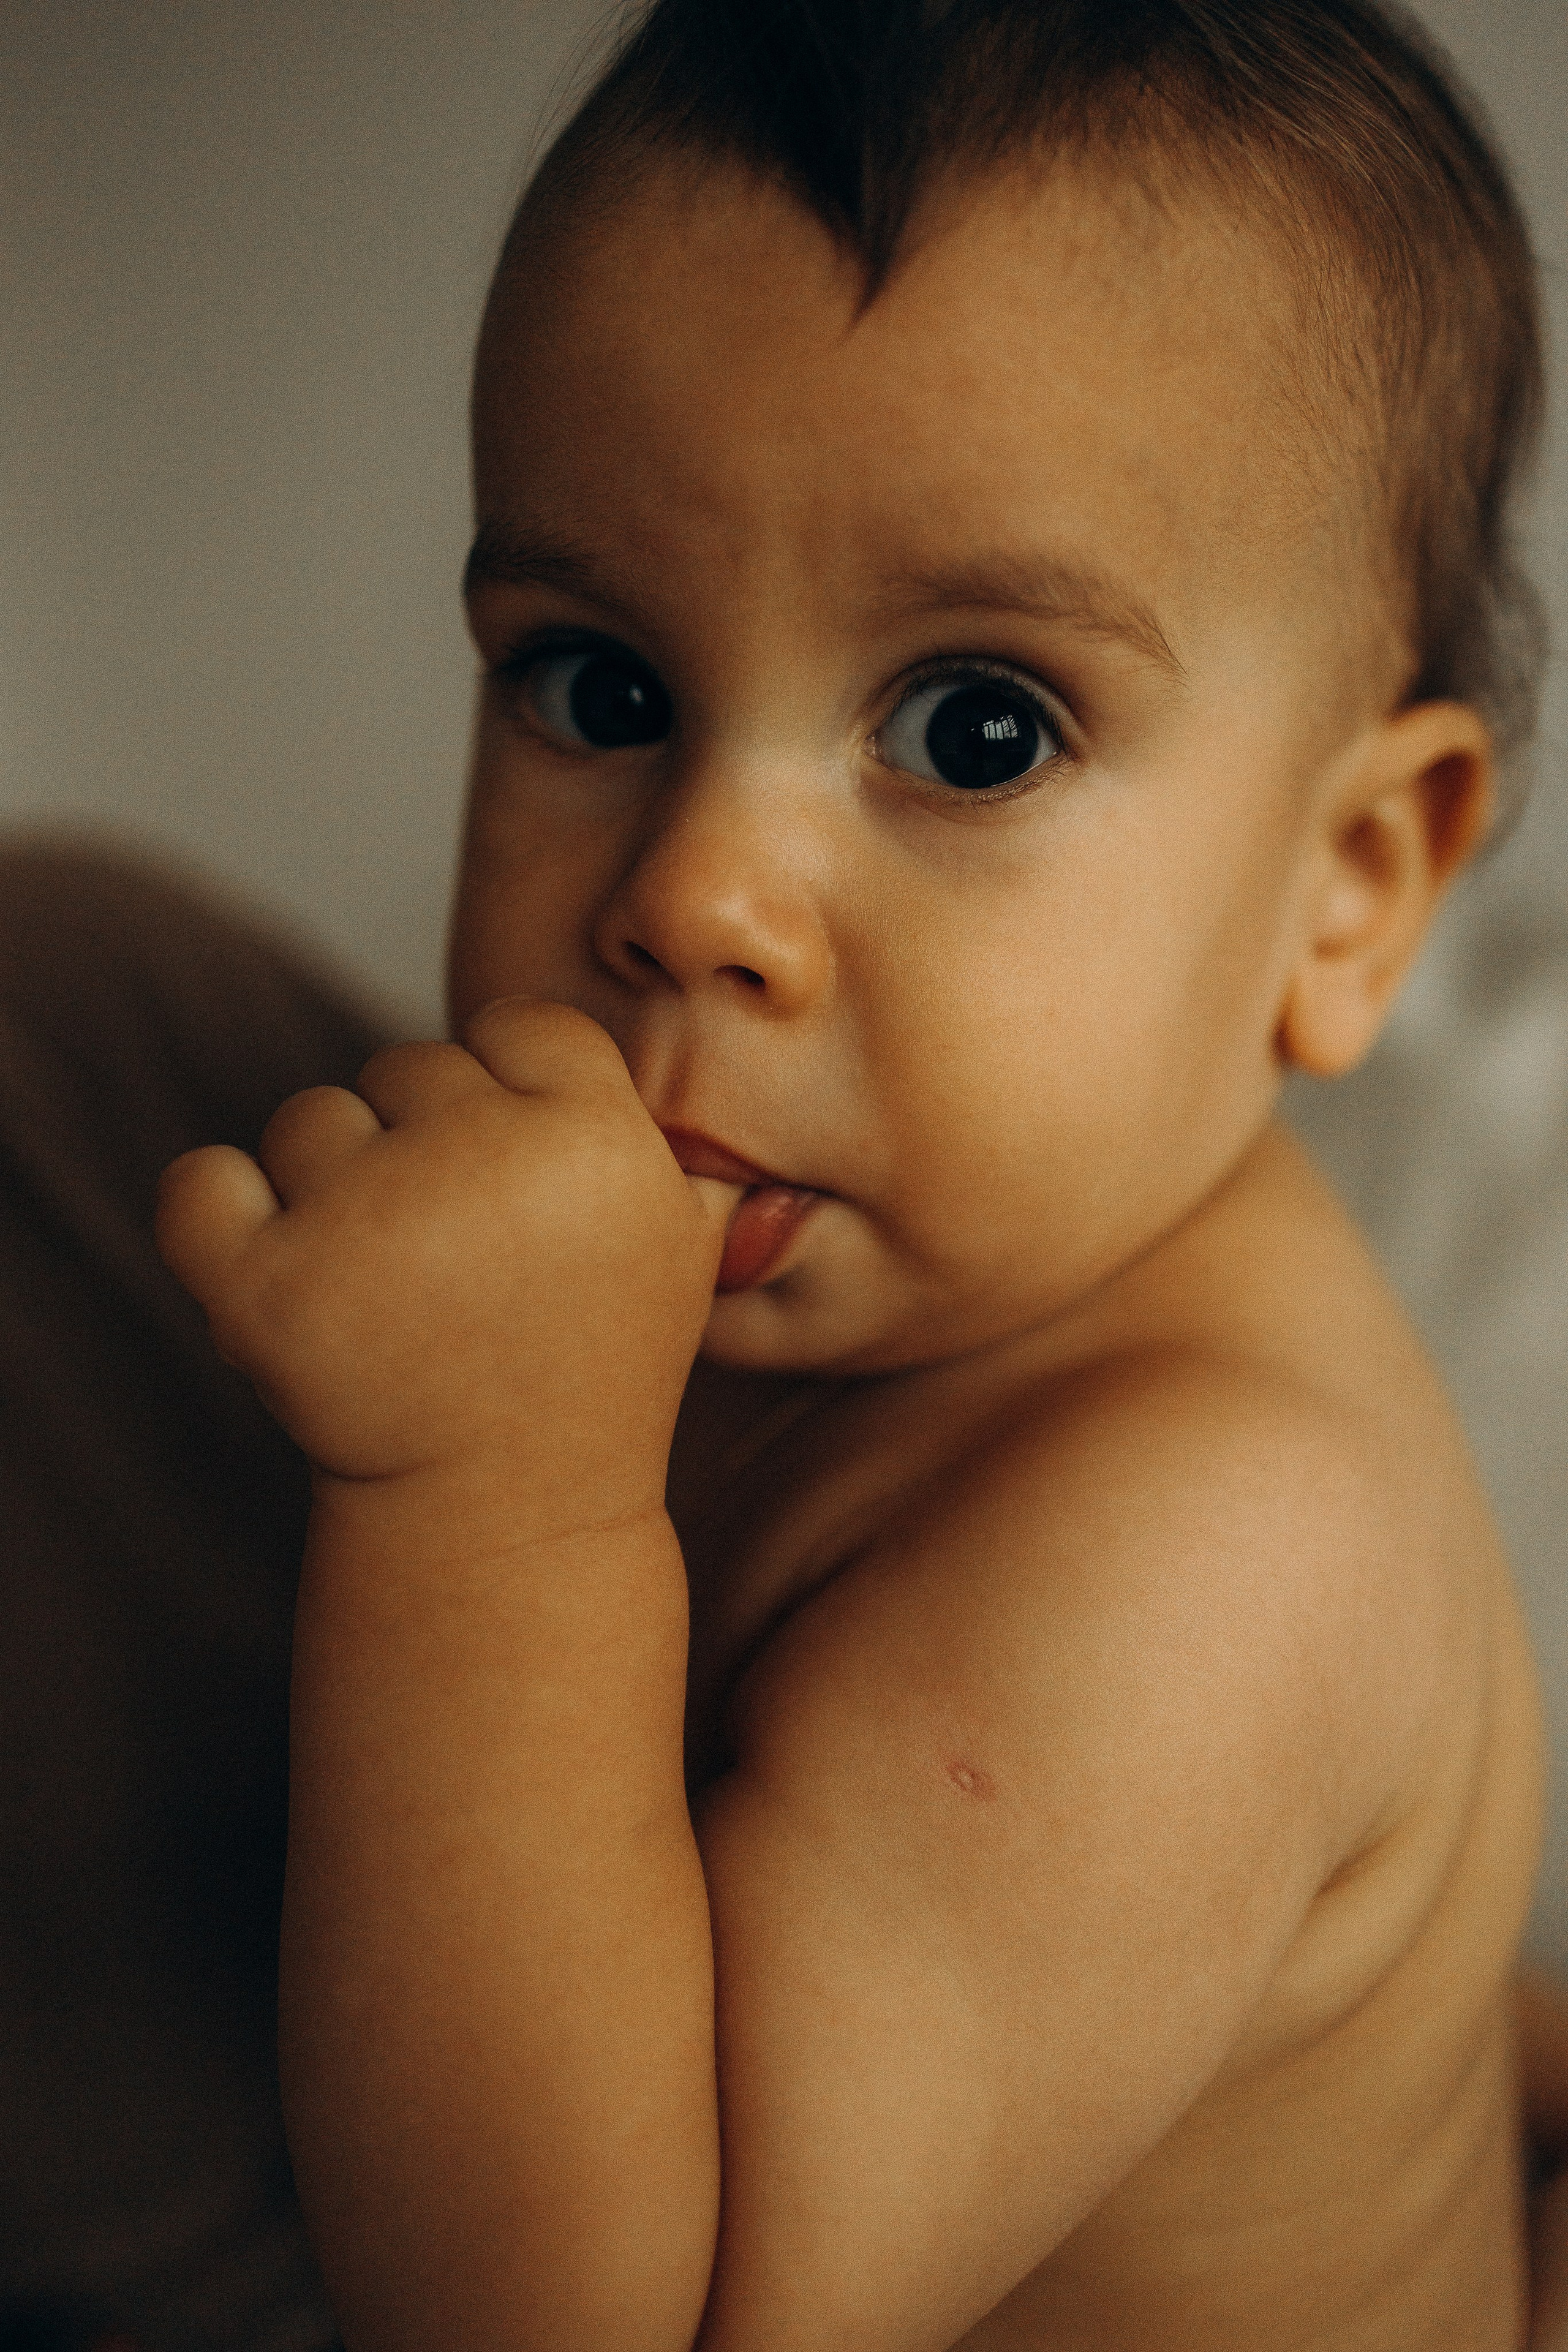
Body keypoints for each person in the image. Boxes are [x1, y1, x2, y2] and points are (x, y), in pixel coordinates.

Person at [6, 0, 1568, 2344]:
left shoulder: (1201, 1550)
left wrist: (495, 1517)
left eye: (976, 727)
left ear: (1349, 888)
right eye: (595, 684)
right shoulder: (891, 1244)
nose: (695, 891)